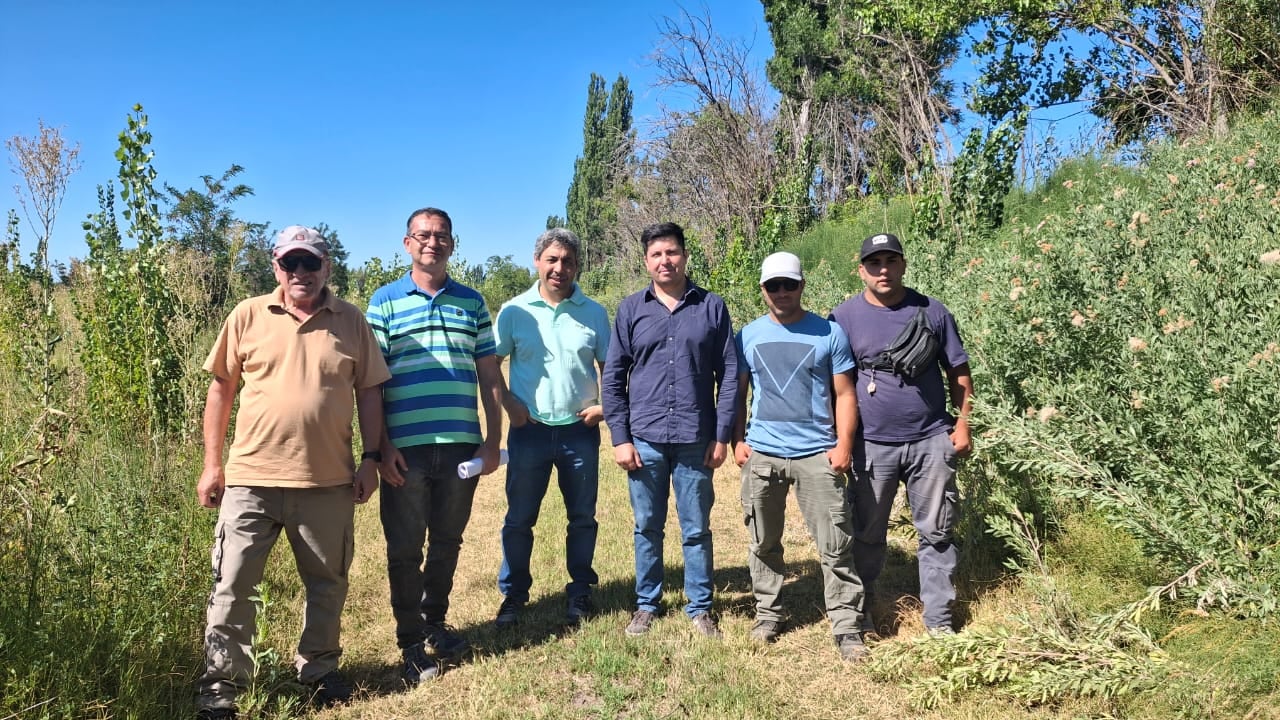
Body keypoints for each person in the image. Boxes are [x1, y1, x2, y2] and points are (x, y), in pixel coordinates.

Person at [195, 226, 390, 719]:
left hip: (327, 482)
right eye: (291, 263)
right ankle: (221, 690)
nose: (300, 273)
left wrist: (372, 457)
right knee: (233, 585)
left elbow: (370, 391)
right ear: (275, 267)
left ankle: (319, 672)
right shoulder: (248, 315)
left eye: (311, 262)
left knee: (327, 583)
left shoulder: (351, 320)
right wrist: (212, 464)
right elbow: (221, 388)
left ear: (327, 265)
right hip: (250, 480)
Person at [366, 207, 504, 686]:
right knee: (405, 549)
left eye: (441, 235)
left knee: (447, 541)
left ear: (453, 244)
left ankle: (435, 624)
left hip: (461, 448)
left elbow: (490, 377)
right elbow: (371, 383)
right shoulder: (383, 302)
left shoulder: (472, 302)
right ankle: (409, 643)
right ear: (407, 243)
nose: (433, 242)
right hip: (405, 449)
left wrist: (492, 442)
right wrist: (381, 447)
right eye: (423, 235)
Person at [829, 232, 975, 636]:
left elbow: (958, 373)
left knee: (938, 532)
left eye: (891, 261)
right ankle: (863, 610)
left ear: (903, 265)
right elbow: (834, 386)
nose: (883, 270)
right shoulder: (842, 319)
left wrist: (963, 423)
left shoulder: (932, 311)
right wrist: (838, 440)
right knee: (867, 532)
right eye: (874, 263)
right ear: (861, 270)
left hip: (930, 439)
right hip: (871, 444)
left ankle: (939, 622)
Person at [602, 221, 738, 638]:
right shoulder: (630, 310)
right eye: (657, 254)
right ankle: (647, 604)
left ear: (685, 256)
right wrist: (621, 438)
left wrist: (721, 435)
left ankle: (700, 607)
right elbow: (613, 377)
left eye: (672, 252)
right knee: (647, 525)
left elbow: (730, 373)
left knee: (696, 527)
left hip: (697, 438)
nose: (666, 260)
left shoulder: (712, 307)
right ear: (646, 261)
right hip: (645, 438)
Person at [732, 251, 869, 661]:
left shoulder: (829, 333)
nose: (782, 292)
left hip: (816, 455)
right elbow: (737, 395)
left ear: (802, 286)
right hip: (764, 453)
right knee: (763, 542)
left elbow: (846, 394)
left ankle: (847, 626)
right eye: (774, 285)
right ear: (762, 290)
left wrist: (843, 444)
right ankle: (768, 614)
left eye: (789, 284)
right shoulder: (747, 336)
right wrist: (739, 439)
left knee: (836, 545)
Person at [491, 227, 611, 628]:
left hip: (580, 431)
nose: (560, 268)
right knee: (520, 518)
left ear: (578, 266)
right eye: (552, 260)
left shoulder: (593, 313)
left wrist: (604, 407)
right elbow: (489, 363)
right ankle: (514, 594)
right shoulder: (514, 312)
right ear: (537, 261)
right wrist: (509, 403)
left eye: (568, 262)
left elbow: (610, 369)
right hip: (530, 431)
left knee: (582, 517)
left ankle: (580, 590)